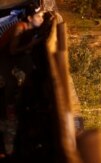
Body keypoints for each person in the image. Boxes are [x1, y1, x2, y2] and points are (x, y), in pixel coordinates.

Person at [0, 3, 44, 159]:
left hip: (17, 55)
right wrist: (31, 45)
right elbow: (12, 50)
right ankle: (9, 109)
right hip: (5, 56)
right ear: (30, 18)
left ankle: (25, 100)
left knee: (30, 70)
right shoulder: (20, 27)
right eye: (39, 16)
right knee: (11, 82)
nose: (41, 19)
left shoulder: (33, 28)